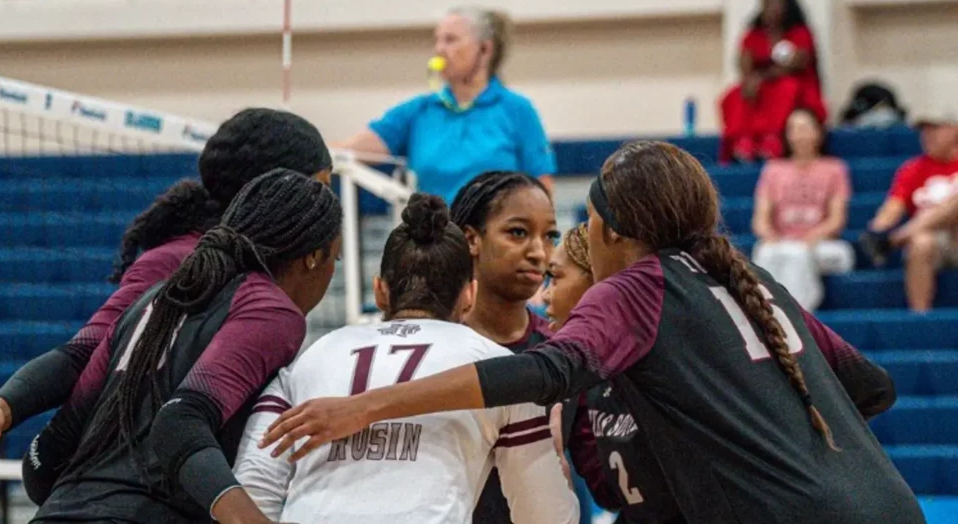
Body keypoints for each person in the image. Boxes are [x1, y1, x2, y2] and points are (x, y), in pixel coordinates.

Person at [263, 141, 921, 524]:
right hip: (890, 506)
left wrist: (365, 406)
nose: (552, 256)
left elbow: (546, 371)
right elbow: (873, 386)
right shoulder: (747, 278)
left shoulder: (638, 286)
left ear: (609, 233)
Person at [0, 108, 333, 491]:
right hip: (118, 484)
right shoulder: (179, 260)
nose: (328, 206)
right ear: (272, 190)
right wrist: (4, 407)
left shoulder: (265, 280)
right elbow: (84, 348)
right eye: (322, 186)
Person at [19, 168, 342, 524]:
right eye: (335, 260)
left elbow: (43, 462)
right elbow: (178, 421)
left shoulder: (152, 300)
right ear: (313, 258)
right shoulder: (272, 311)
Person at [233, 194, 578, 524]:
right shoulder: (501, 370)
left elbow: (254, 484)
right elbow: (547, 516)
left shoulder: (314, 355)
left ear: (380, 291)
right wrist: (556, 459)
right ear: (469, 295)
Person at [333, 7, 556, 204]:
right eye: (437, 40)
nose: (439, 49)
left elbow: (543, 189)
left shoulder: (517, 110)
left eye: (450, 40)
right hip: (437, 244)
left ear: (485, 49)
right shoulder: (418, 111)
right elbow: (352, 150)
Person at [543, 224, 685, 524]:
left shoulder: (664, 362)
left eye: (555, 278)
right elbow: (609, 495)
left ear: (596, 283)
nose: (545, 295)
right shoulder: (583, 381)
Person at [448, 171, 560, 523]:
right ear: (471, 239)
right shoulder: (435, 345)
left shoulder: (563, 351)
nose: (539, 252)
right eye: (518, 233)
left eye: (550, 235)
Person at [751, 108, 854, 310]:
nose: (799, 134)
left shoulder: (834, 168)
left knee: (797, 255)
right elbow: (760, 219)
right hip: (784, 242)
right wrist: (771, 235)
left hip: (821, 244)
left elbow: (837, 219)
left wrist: (811, 237)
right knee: (767, 253)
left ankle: (799, 315)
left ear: (818, 132)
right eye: (793, 129)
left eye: (805, 128)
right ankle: (770, 314)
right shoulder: (773, 169)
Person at [861, 108, 958, 311]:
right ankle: (920, 318)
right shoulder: (913, 168)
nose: (927, 136)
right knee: (922, 242)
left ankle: (903, 235)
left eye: (935, 129)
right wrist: (877, 229)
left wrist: (899, 235)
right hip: (932, 240)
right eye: (924, 130)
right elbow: (894, 206)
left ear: (954, 130)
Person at [719, 0, 826, 164]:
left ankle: (773, 140)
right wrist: (750, 79)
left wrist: (762, 76)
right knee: (734, 95)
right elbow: (744, 62)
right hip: (761, 85)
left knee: (787, 88)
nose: (772, 8)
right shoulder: (754, 34)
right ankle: (743, 142)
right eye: (767, 3)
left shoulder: (799, 32)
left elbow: (796, 63)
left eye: (777, 3)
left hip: (794, 83)